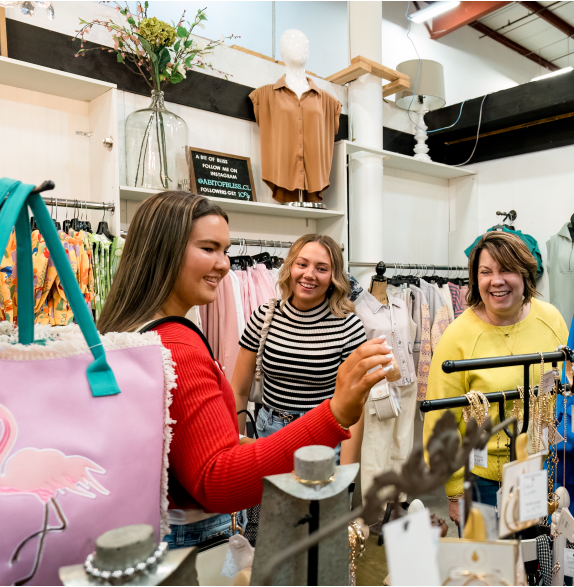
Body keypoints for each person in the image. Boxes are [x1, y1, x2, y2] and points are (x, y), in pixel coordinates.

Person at [97, 191, 393, 548]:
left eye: (225, 250)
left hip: (162, 521)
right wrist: (334, 414)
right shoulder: (181, 345)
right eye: (209, 248)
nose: (224, 264)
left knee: (315, 539)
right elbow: (217, 481)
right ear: (166, 250)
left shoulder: (133, 331)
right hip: (194, 530)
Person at [423, 231, 569, 526]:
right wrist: (453, 491)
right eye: (486, 272)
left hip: (545, 472)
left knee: (544, 564)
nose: (496, 281)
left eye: (506, 270)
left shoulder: (550, 320)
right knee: (492, 570)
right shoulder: (458, 337)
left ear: (526, 275)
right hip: (484, 482)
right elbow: (442, 422)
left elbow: (567, 389)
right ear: (475, 280)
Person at [231, 234, 367, 464]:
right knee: (273, 501)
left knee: (320, 501)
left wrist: (348, 476)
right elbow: (239, 389)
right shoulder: (265, 315)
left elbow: (356, 407)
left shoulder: (348, 326)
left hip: (322, 435)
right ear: (290, 267)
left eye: (321, 268)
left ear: (333, 277)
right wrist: (237, 444)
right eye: (302, 264)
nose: (309, 275)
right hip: (269, 433)